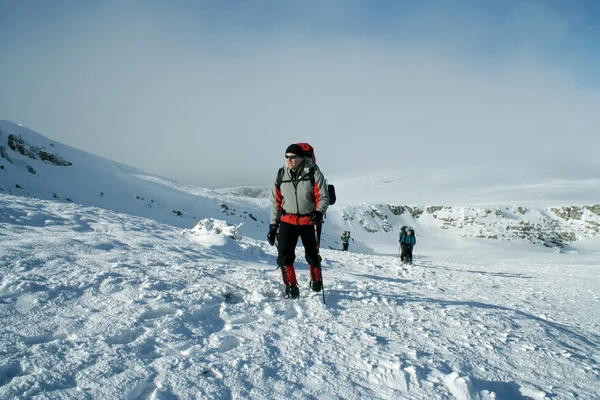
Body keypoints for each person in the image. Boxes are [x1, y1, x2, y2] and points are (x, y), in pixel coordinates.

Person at [268, 144, 330, 299]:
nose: (289, 160)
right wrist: (273, 225)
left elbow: (323, 197)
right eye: (287, 156)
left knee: (312, 254)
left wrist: (318, 212)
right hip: (288, 220)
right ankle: (291, 286)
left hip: (309, 220)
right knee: (284, 255)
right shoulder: (281, 174)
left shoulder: (313, 174)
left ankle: (316, 281)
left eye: (293, 157)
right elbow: (276, 202)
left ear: (301, 158)